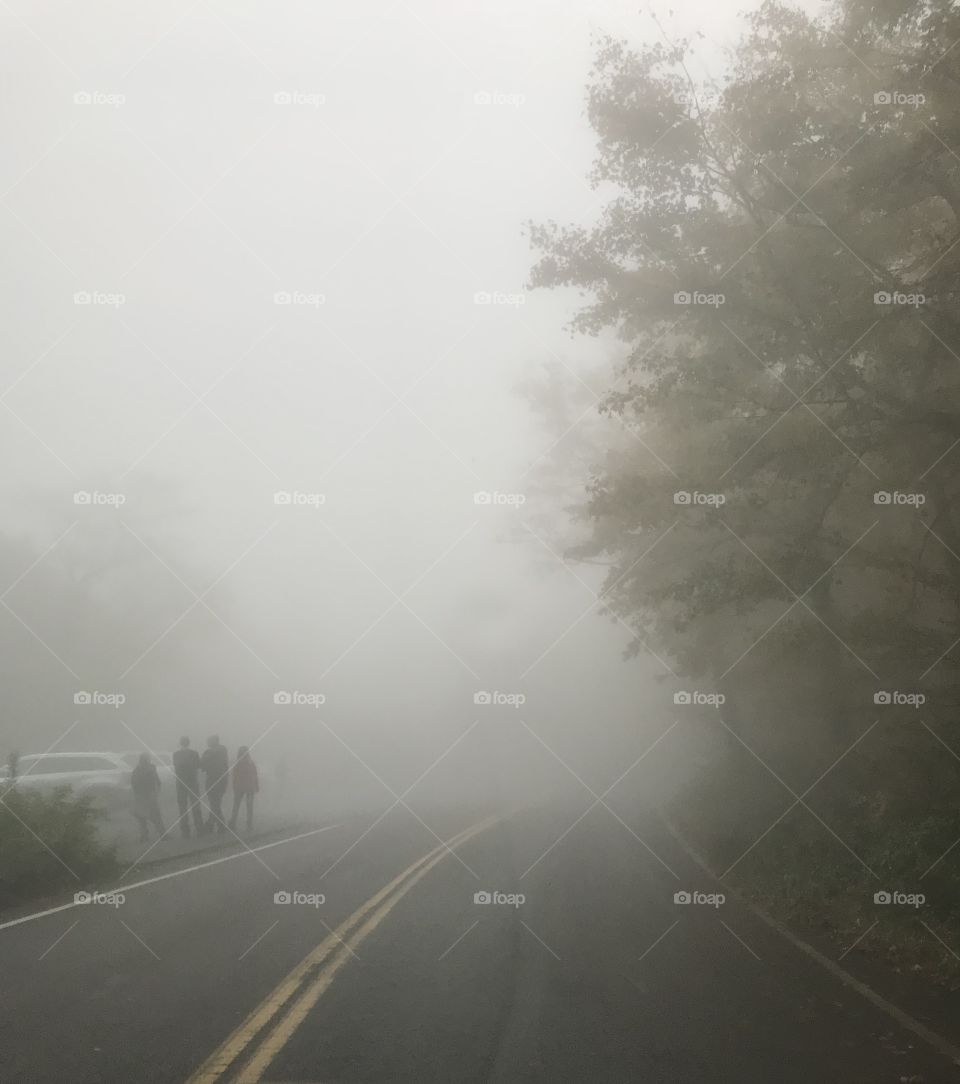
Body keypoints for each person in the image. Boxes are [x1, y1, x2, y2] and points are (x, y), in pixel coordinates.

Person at [172, 736, 203, 838]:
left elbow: (176, 766)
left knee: (182, 808)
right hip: (192, 783)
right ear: (189, 743)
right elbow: (199, 766)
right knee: (195, 806)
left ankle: (185, 831)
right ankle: (199, 829)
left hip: (181, 784)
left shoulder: (176, 754)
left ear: (181, 743)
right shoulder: (194, 753)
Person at [131, 753, 164, 843]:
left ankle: (144, 836)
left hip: (141, 796)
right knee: (156, 815)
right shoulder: (151, 768)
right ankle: (162, 834)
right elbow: (157, 781)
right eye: (148, 758)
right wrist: (157, 791)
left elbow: (134, 784)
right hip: (150, 795)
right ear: (147, 759)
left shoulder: (136, 770)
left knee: (142, 817)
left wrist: (137, 795)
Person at [200, 735, 229, 834]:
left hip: (215, 780)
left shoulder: (218, 750)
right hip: (219, 780)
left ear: (214, 741)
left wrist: (205, 756)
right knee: (215, 804)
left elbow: (202, 764)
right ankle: (218, 825)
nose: (207, 742)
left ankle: (211, 824)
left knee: (215, 803)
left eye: (209, 740)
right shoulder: (221, 751)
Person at [228, 746, 259, 832]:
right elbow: (255, 776)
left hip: (239, 787)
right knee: (249, 807)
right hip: (250, 787)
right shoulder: (251, 763)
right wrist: (256, 786)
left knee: (236, 806)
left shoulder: (237, 763)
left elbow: (235, 777)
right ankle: (249, 825)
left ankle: (232, 823)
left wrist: (234, 786)